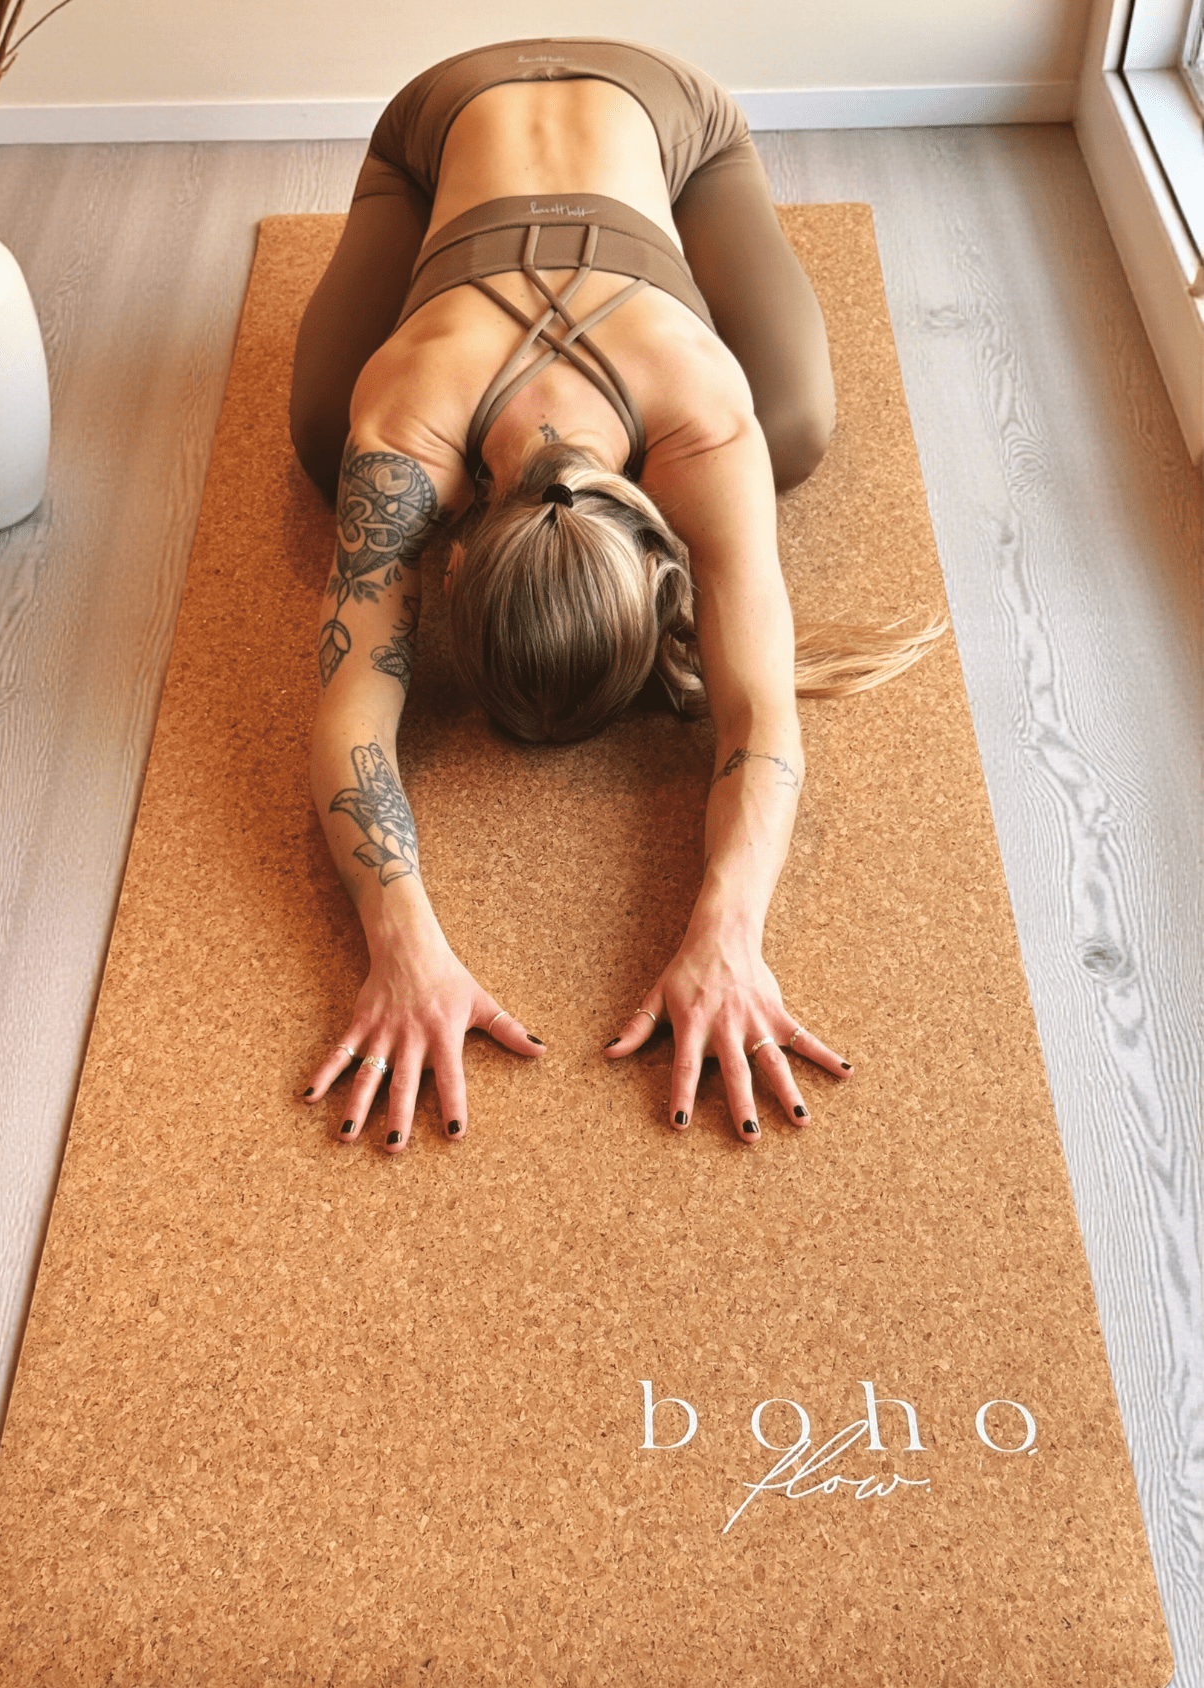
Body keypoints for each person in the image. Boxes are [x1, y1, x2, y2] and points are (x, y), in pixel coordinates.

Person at [291, 38, 941, 1153]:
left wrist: (732, 930)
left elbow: (760, 718)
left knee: (794, 428)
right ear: (452, 544)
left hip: (669, 128)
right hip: (442, 122)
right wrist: (399, 941)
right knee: (320, 445)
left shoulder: (711, 425)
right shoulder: (406, 427)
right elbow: (349, 717)